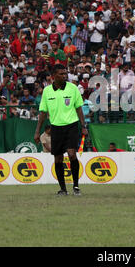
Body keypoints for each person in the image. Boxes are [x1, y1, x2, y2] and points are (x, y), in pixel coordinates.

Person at [34, 64, 88, 196]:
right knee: (58, 159)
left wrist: (83, 126)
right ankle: (63, 189)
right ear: (53, 76)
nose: (65, 76)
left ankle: (76, 186)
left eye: (65, 74)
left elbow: (79, 108)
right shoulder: (47, 91)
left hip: (71, 125)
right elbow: (42, 112)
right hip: (55, 128)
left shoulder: (73, 88)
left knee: (71, 154)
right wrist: (37, 131)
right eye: (61, 74)